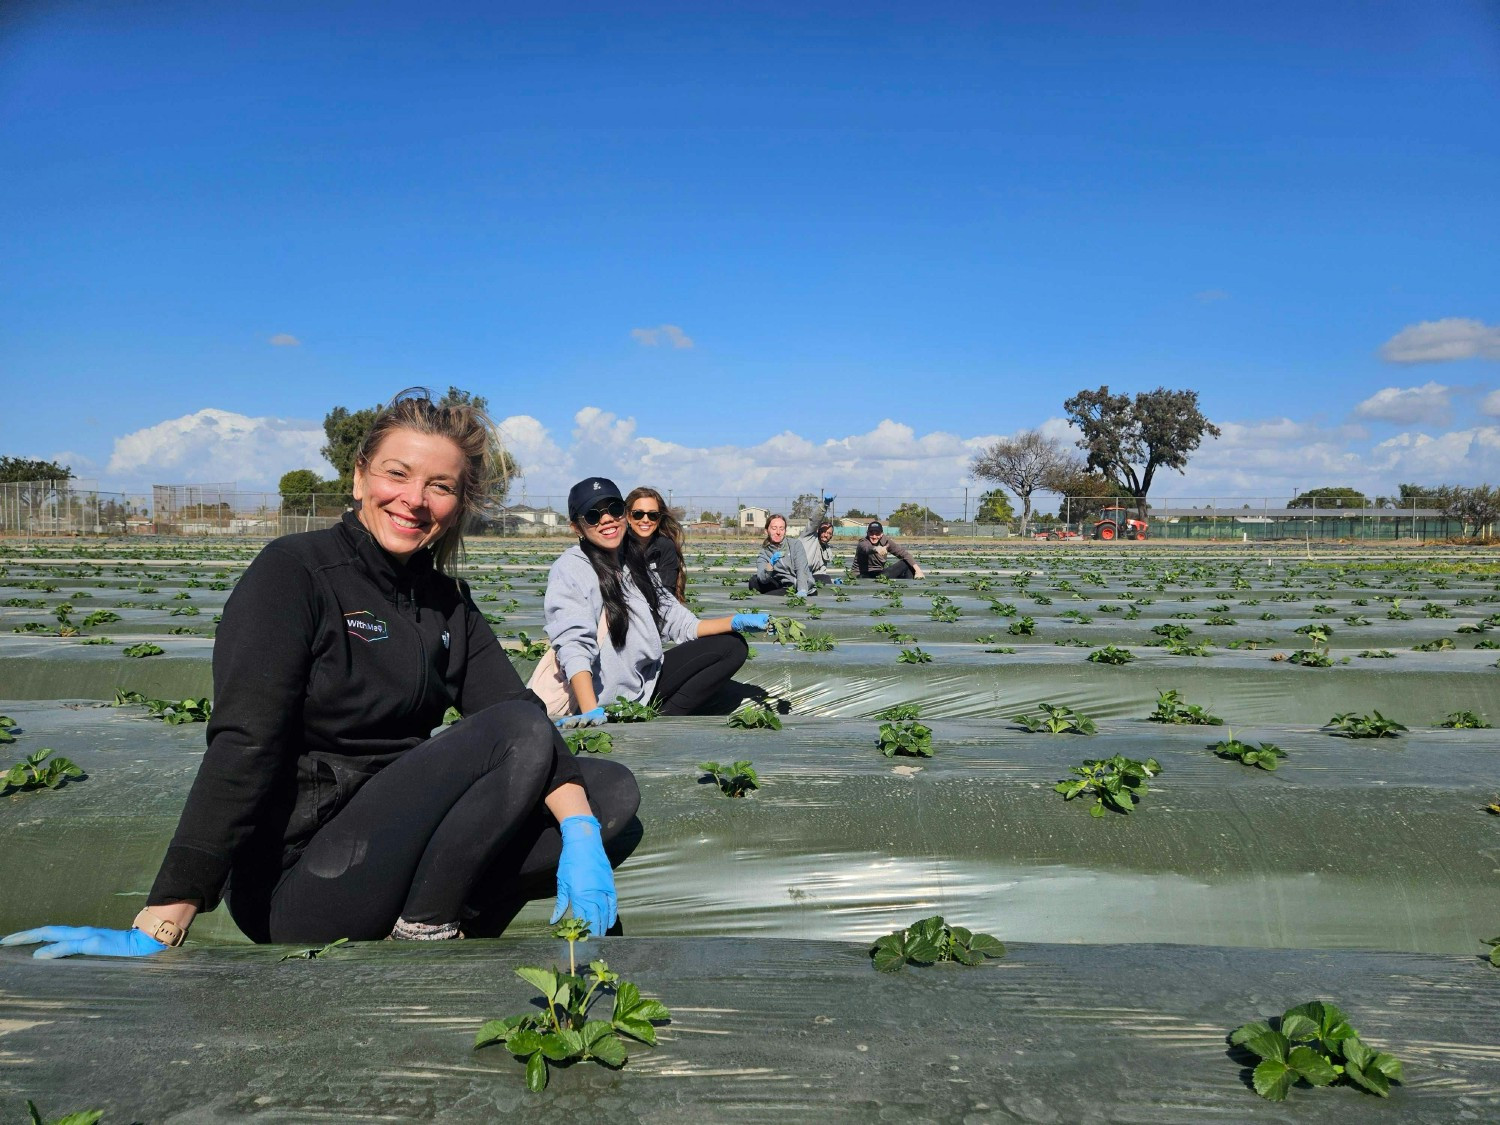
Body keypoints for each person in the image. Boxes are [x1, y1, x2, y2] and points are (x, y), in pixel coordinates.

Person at [3, 389, 637, 958]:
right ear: (359, 476)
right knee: (519, 734)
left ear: (457, 504)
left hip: (393, 842)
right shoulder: (294, 572)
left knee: (606, 794)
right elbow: (245, 743)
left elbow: (514, 712)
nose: (414, 499)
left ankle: (426, 912)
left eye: (440, 486)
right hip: (305, 877)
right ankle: (429, 926)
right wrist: (164, 918)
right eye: (397, 473)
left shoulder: (447, 604)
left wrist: (580, 833)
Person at [540, 477, 767, 724]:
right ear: (576, 528)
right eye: (593, 516)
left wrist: (736, 622)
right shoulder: (572, 568)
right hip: (602, 697)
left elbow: (680, 622)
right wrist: (589, 711)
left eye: (614, 509)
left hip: (643, 683)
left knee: (731, 647)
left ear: (623, 514)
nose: (606, 519)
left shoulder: (633, 561)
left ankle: (661, 721)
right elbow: (574, 643)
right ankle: (619, 716)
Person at [624, 486, 686, 604]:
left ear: (659, 518)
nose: (645, 520)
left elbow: (667, 593)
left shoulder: (665, 546)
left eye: (652, 515)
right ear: (628, 517)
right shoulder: (618, 546)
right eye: (638, 514)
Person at [747, 513, 816, 596]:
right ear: (766, 531)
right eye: (774, 528)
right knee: (754, 581)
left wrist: (802, 590)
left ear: (785, 531)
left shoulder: (795, 545)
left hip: (798, 584)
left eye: (781, 529)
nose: (778, 532)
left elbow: (801, 569)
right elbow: (762, 579)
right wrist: (769, 566)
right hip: (782, 584)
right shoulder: (764, 553)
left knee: (771, 596)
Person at [855, 520, 925, 579]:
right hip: (862, 575)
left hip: (879, 574)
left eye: (877, 533)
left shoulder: (886, 542)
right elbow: (866, 549)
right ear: (867, 533)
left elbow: (904, 554)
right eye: (871, 533)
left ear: (881, 534)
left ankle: (910, 585)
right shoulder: (863, 542)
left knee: (908, 563)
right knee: (905, 564)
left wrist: (918, 571)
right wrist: (877, 548)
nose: (874, 536)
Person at [798, 518, 842, 586]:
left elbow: (820, 573)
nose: (826, 535)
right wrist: (822, 510)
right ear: (818, 531)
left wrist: (833, 581)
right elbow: (813, 521)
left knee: (825, 578)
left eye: (829, 533)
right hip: (798, 576)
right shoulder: (809, 539)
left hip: (810, 579)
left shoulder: (826, 550)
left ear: (831, 536)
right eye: (823, 531)